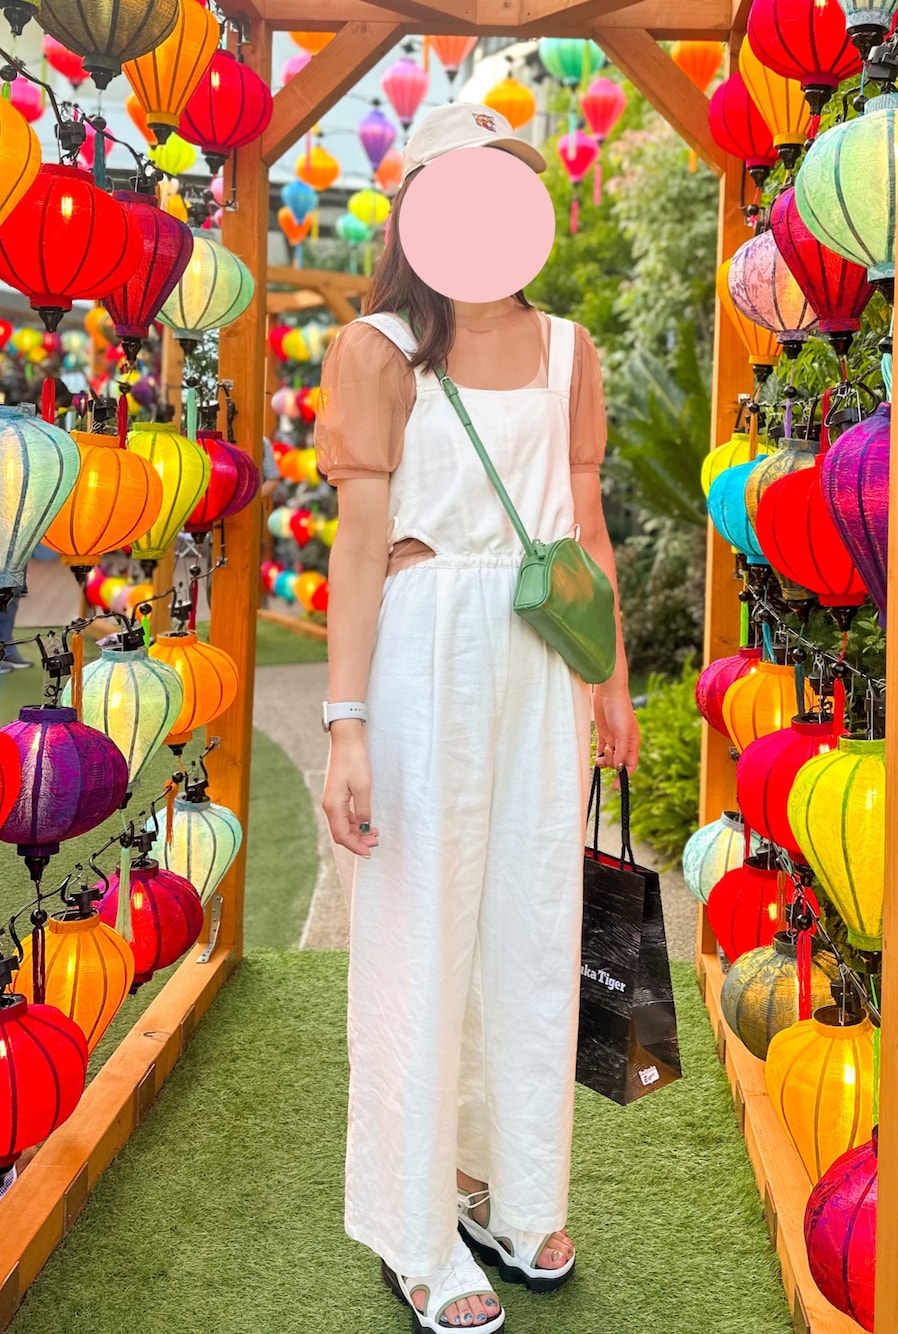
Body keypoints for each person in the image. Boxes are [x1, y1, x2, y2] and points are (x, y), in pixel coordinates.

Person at [315, 103, 640, 1334]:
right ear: (418, 209)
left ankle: (516, 1190)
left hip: (540, 658)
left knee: (534, 924)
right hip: (423, 653)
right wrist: (344, 724)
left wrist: (611, 679)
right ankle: (416, 1227)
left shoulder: (569, 349)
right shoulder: (378, 349)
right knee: (421, 932)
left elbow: (585, 527)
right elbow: (358, 548)